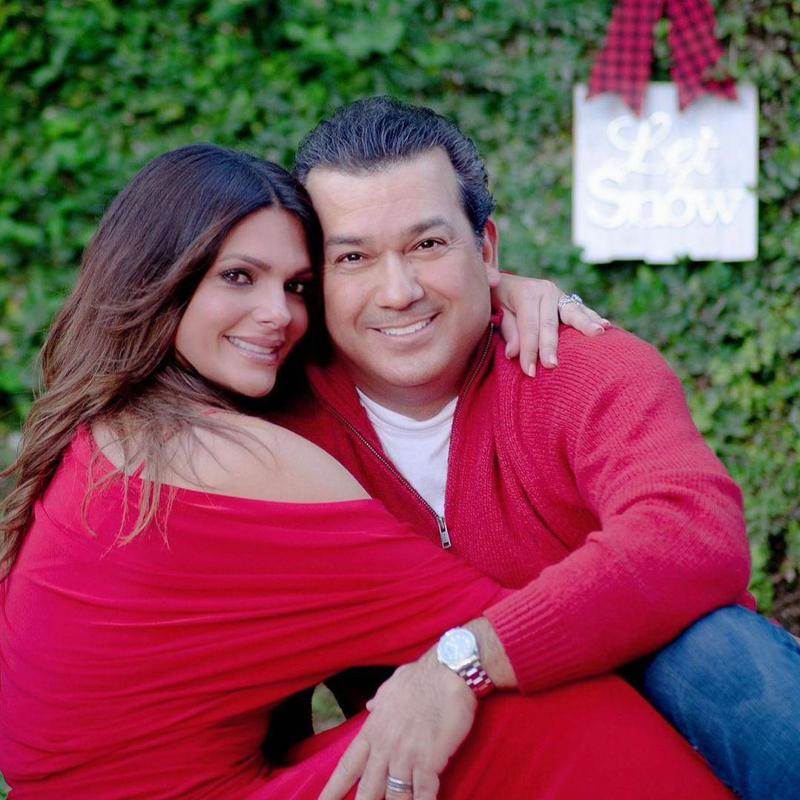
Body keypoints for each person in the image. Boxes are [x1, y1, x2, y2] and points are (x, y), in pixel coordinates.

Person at [0, 145, 734, 799]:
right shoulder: (232, 457)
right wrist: (463, 665)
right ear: (158, 278)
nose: (277, 314)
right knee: (536, 709)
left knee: (696, 655)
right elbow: (491, 623)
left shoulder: (117, 430)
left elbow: (678, 538)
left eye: (295, 285)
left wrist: (485, 289)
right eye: (238, 277)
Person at [259, 96, 799, 800]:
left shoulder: (582, 366)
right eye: (354, 257)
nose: (398, 291)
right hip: (459, 770)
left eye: (428, 245)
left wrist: (465, 659)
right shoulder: (270, 429)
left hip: (659, 736)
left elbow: (690, 532)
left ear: (485, 249)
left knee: (723, 652)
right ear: (314, 278)